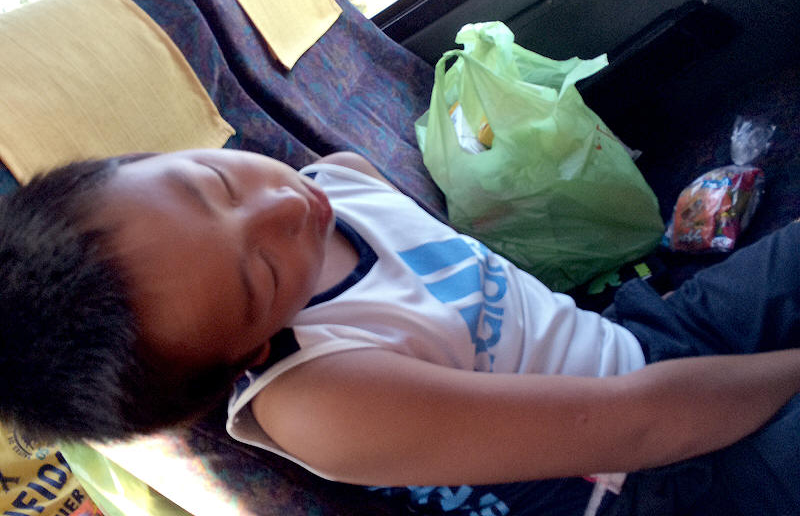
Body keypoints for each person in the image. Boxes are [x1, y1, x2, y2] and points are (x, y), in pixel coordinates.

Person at [1, 147, 798, 516]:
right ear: (248, 351)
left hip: (637, 341)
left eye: (213, 181)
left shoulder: (335, 179)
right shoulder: (323, 403)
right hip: (648, 484)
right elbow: (638, 426)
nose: (282, 205)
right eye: (264, 274)